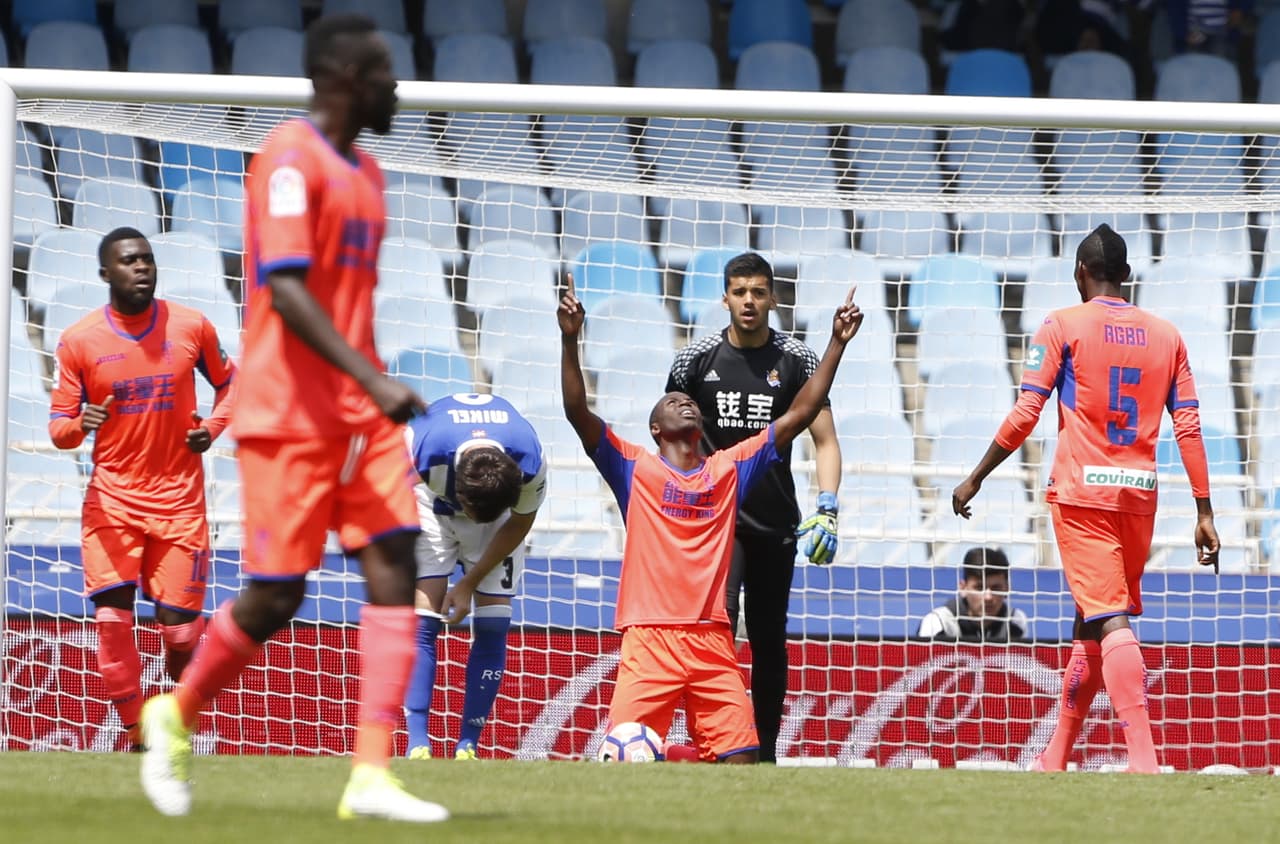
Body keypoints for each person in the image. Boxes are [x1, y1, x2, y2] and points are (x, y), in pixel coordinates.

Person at [139, 14, 448, 823]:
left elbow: (349, 305)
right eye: (384, 70)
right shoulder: (286, 158)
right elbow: (286, 289)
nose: (396, 87)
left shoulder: (373, 176)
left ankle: (371, 776)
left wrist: (369, 386)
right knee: (277, 597)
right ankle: (176, 711)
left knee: (395, 561)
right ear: (344, 76)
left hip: (360, 418)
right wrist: (370, 378)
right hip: (289, 417)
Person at [561, 272, 862, 764]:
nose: (685, 401)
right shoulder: (632, 466)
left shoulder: (728, 469)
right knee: (623, 764)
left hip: (710, 641)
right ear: (656, 427)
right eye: (673, 402)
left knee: (741, 765)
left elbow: (801, 412)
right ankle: (658, 754)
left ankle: (688, 758)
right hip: (650, 637)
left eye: (689, 402)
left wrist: (835, 344)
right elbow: (577, 410)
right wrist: (570, 341)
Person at [951, 223, 1220, 774]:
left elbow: (1027, 411)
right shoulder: (1168, 336)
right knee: (1090, 624)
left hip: (1081, 496)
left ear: (1080, 273)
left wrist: (976, 475)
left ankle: (1144, 763)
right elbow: (1189, 427)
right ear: (1126, 275)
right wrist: (1204, 510)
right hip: (1139, 499)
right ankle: (1056, 758)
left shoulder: (1062, 325)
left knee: (1110, 621)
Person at [49, 226, 236, 751]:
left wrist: (212, 430)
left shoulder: (191, 325)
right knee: (112, 622)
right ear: (105, 272)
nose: (142, 268)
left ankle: (176, 712)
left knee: (179, 637)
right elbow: (59, 430)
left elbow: (232, 383)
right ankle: (137, 736)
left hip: (180, 503)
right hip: (112, 502)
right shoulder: (80, 341)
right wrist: (80, 424)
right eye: (130, 261)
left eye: (148, 259)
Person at [665, 251, 843, 764]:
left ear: (773, 297)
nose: (749, 301)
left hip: (774, 522)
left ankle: (763, 753)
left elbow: (825, 441)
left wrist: (826, 505)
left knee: (769, 640)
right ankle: (719, 743)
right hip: (715, 523)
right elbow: (671, 439)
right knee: (718, 626)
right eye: (739, 292)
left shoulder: (796, 359)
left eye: (758, 292)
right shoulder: (694, 361)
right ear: (725, 298)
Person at [401, 392, 546, 761]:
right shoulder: (418, 446)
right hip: (429, 507)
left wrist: (468, 582)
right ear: (458, 493)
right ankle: (417, 742)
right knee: (423, 617)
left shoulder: (530, 460)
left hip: (498, 523)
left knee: (495, 624)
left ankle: (468, 744)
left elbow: (520, 521)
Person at [916, 547, 1028, 643]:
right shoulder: (938, 622)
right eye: (979, 588)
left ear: (1007, 589)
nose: (988, 597)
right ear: (963, 588)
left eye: (996, 588)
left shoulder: (1015, 621)